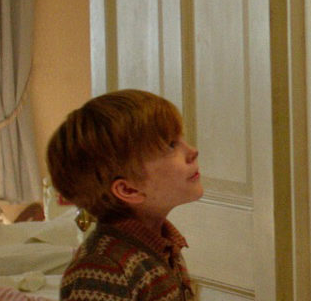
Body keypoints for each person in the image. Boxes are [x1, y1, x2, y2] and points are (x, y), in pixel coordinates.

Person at [49, 89, 205, 300]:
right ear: (129, 190)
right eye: (170, 145)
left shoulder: (163, 245)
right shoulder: (103, 270)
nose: (193, 151)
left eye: (181, 139)